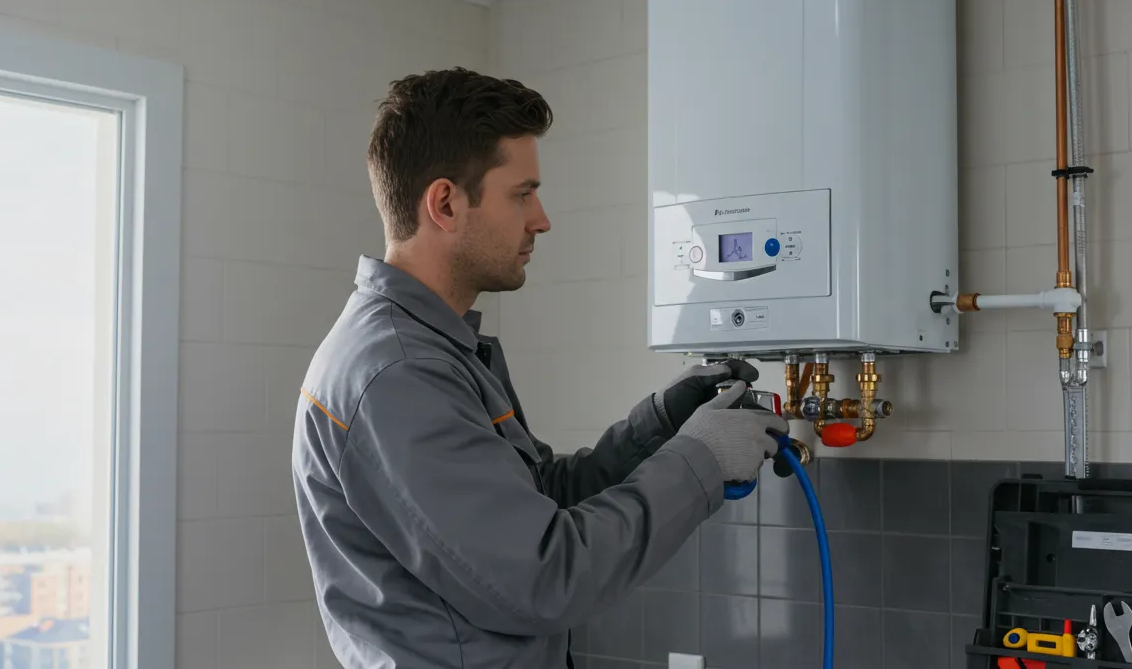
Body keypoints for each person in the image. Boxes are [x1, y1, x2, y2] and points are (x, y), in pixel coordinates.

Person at [291, 67, 786, 668]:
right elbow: (545, 576)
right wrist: (701, 462)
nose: (541, 219)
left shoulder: (433, 351)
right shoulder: (399, 374)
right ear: (445, 203)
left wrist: (659, 425)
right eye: (522, 194)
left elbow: (534, 504)